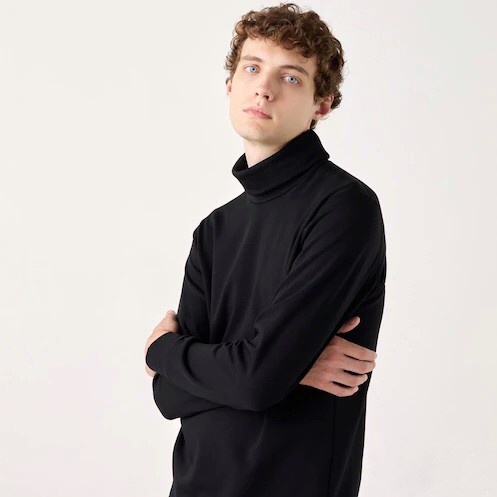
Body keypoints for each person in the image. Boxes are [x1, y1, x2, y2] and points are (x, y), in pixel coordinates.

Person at [144, 3, 387, 496]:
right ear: (230, 85)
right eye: (252, 68)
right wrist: (286, 367)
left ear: (322, 104)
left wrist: (162, 350)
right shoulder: (214, 230)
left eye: (291, 77)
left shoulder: (344, 207)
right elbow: (168, 396)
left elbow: (255, 381)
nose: (264, 88)